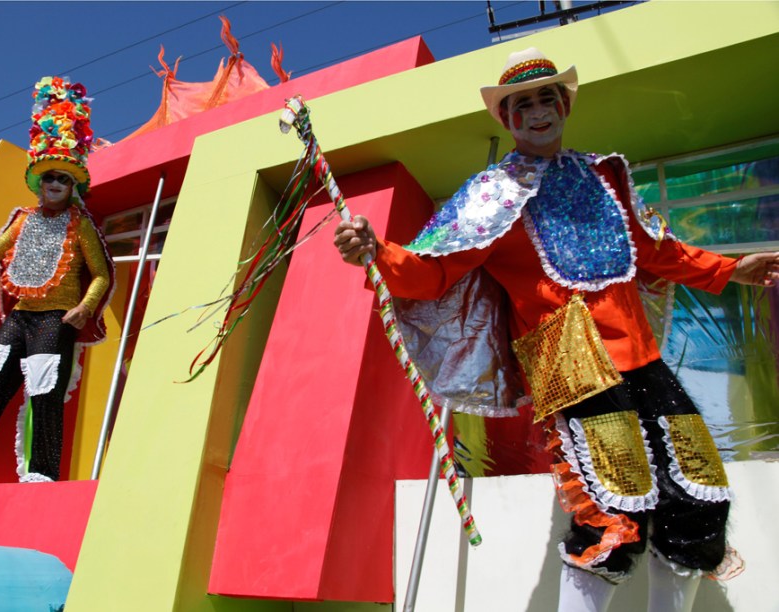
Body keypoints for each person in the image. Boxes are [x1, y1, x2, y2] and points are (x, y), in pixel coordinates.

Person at [334, 48, 779, 611]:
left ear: (565, 105)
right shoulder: (493, 192)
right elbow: (434, 268)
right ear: (507, 119)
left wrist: (729, 268)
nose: (539, 110)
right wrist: (378, 251)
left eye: (548, 97)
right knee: (614, 510)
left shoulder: (604, 175)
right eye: (523, 103)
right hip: (567, 359)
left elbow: (655, 249)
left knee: (698, 497)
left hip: (640, 356)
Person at [0, 76, 114, 485]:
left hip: (56, 318)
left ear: (74, 185)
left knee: (45, 390)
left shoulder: (79, 222)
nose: (55, 183)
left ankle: (42, 472)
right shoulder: (21, 219)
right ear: (40, 181)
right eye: (49, 176)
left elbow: (102, 273)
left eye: (63, 179)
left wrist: (83, 309)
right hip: (19, 318)